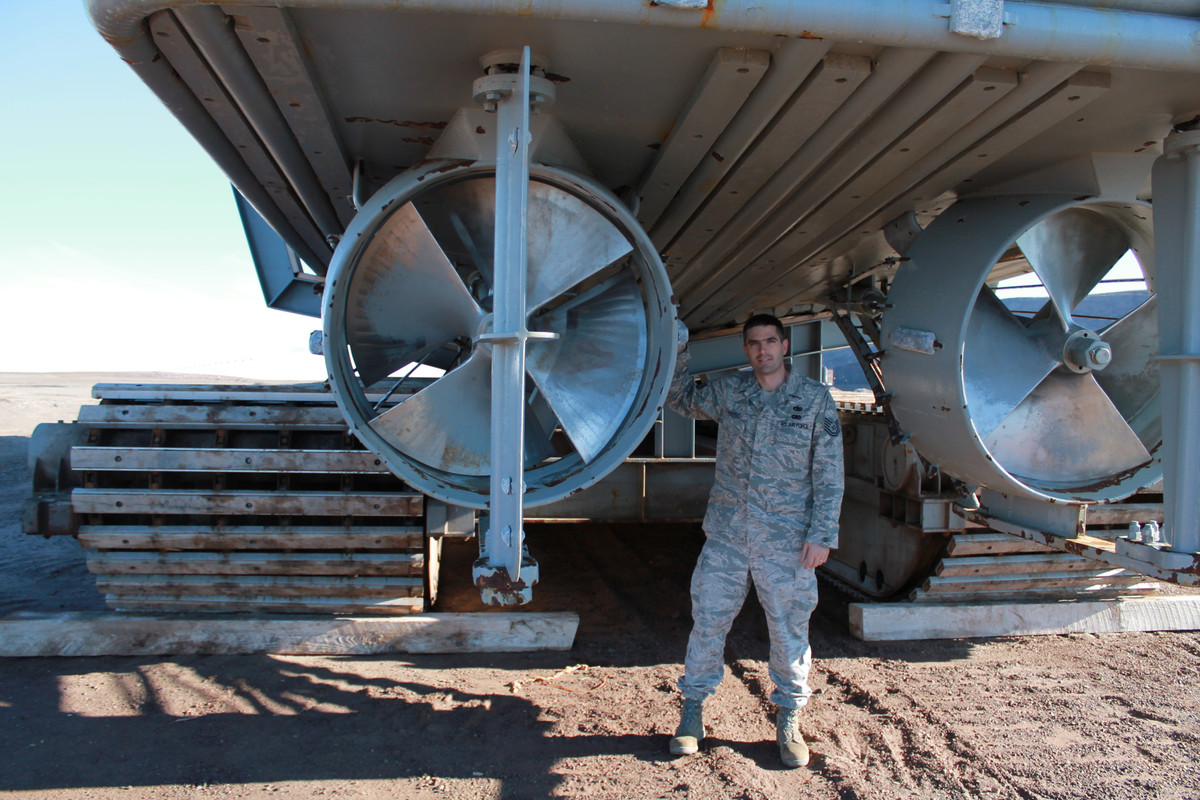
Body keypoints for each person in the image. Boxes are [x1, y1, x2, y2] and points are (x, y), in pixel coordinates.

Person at [665, 312, 844, 768]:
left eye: (770, 341)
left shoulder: (814, 399)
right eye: (754, 343)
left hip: (787, 540)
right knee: (708, 619)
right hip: (728, 534)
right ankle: (692, 712)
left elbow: (829, 474)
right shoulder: (730, 392)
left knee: (789, 629)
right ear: (745, 350)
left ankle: (789, 719)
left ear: (785, 346)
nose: (762, 349)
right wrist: (679, 346)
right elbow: (681, 398)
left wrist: (822, 535)